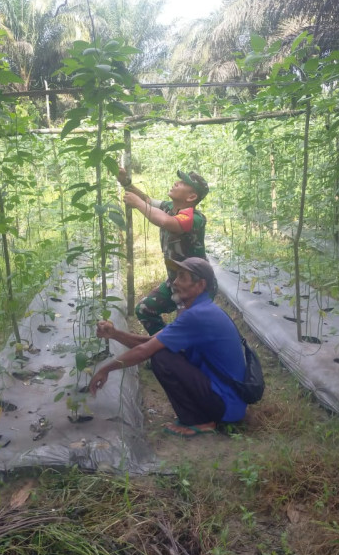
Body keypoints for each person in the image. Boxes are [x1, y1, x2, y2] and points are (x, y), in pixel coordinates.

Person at [88, 257, 246, 437]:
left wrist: (105, 369)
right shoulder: (196, 311)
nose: (175, 282)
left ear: (200, 285)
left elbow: (144, 351)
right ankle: (202, 415)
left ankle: (200, 421)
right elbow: (149, 343)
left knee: (161, 358)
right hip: (228, 399)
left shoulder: (198, 315)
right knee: (161, 351)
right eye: (176, 276)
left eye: (182, 277)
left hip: (226, 404)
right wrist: (114, 333)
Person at [118, 167, 209, 334]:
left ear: (192, 197)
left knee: (190, 328)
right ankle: (166, 349)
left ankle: (183, 353)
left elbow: (168, 223)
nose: (176, 183)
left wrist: (137, 204)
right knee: (144, 309)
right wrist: (125, 182)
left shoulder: (194, 218)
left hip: (196, 286)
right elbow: (146, 199)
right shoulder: (169, 207)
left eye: (182, 183)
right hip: (176, 281)